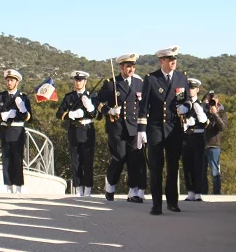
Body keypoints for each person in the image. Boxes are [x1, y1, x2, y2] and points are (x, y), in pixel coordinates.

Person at [137, 46, 191, 215]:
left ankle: (172, 202)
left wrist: (186, 108)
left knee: (173, 166)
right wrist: (141, 130)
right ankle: (156, 204)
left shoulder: (181, 77)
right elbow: (143, 106)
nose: (173, 61)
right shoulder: (152, 79)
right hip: (156, 128)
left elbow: (187, 100)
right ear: (161, 61)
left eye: (175, 59)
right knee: (156, 166)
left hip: (174, 128)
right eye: (169, 59)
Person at [99, 54, 146, 202]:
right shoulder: (111, 84)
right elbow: (98, 102)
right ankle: (111, 185)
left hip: (133, 127)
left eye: (133, 66)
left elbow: (143, 106)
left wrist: (143, 128)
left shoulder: (139, 83)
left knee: (134, 159)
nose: (131, 69)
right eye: (128, 66)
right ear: (121, 67)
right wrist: (110, 110)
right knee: (119, 157)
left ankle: (133, 191)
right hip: (117, 128)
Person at [0, 69, 32, 194]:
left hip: (18, 130)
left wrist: (22, 110)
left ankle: (18, 186)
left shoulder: (23, 97)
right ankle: (8, 186)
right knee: (6, 160)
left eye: (11, 80)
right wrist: (4, 115)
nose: (9, 82)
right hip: (5, 130)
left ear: (17, 82)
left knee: (17, 159)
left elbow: (30, 118)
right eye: (7, 80)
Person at [56, 71, 97, 197]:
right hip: (74, 130)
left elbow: (97, 115)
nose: (78, 82)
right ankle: (78, 188)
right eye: (76, 80)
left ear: (85, 81)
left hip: (87, 130)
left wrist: (90, 107)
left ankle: (88, 189)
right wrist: (70, 114)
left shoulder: (92, 96)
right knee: (76, 160)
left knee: (88, 160)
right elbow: (59, 113)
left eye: (80, 80)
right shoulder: (69, 97)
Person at [181, 78, 208, 201]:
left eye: (193, 88)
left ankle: (198, 191)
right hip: (186, 137)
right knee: (187, 165)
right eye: (189, 88)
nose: (190, 90)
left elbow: (206, 122)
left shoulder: (202, 105)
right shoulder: (183, 104)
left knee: (199, 165)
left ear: (197, 89)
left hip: (198, 136)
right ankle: (190, 191)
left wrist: (199, 115)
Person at [203, 90, 227, 195]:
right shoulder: (204, 111)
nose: (210, 103)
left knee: (214, 171)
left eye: (212, 100)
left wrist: (215, 114)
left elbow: (222, 127)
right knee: (202, 171)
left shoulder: (222, 113)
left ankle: (216, 193)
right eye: (209, 101)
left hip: (214, 145)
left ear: (217, 100)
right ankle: (203, 192)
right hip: (202, 144)